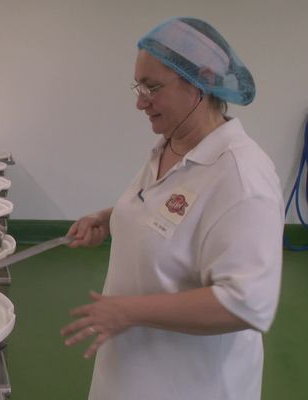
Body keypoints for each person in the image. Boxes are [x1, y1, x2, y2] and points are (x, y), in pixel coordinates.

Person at [60, 17, 284, 400]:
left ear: (201, 81)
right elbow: (168, 209)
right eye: (138, 85)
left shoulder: (243, 178)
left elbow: (246, 304)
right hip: (132, 370)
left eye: (152, 87)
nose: (139, 101)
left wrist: (130, 312)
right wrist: (112, 218)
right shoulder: (173, 145)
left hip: (190, 383)